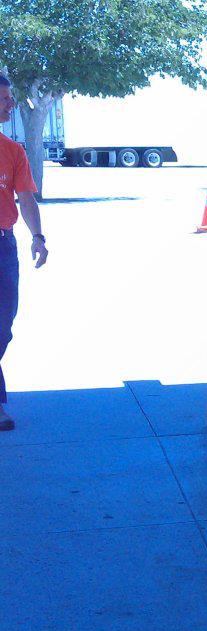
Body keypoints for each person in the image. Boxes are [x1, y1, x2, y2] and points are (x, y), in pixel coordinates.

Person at [0, 74, 49, 431]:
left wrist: (38, 237)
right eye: (5, 99)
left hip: (3, 246)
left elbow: (26, 197)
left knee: (3, 327)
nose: (11, 104)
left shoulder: (13, 151)